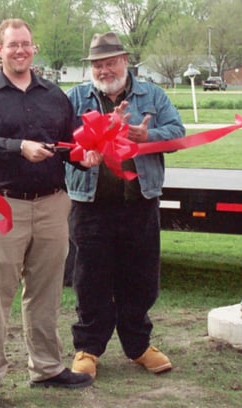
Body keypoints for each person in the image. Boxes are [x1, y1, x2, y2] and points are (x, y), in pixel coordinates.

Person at [0, 18, 100, 408]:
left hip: (52, 204)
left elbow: (71, 146)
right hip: (2, 205)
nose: (20, 51)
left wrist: (87, 158)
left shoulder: (54, 95)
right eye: (12, 45)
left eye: (25, 44)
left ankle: (46, 367)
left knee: (45, 293)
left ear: (33, 48)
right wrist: (17, 146)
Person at [65, 32, 186, 380]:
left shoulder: (153, 95)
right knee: (90, 280)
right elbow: (60, 141)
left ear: (125, 61)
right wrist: (80, 152)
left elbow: (177, 133)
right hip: (90, 206)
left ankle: (138, 346)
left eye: (111, 62)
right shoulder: (74, 99)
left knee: (141, 279)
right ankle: (88, 348)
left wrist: (150, 137)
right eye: (98, 65)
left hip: (140, 204)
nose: (104, 70)